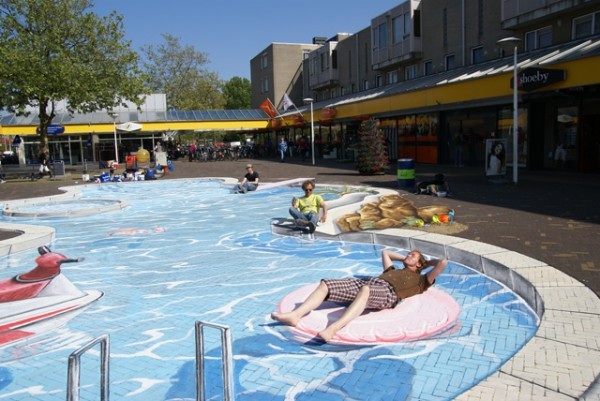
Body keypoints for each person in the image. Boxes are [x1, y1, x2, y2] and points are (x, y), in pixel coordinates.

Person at [271, 248, 448, 342]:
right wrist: (406, 259)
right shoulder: (392, 270)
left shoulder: (422, 281)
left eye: (412, 255)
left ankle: (332, 329)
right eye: (409, 253)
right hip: (369, 282)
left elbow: (442, 262)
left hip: (389, 293)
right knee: (326, 284)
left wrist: (425, 263)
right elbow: (385, 252)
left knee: (366, 290)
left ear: (419, 264)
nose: (408, 255)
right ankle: (295, 315)